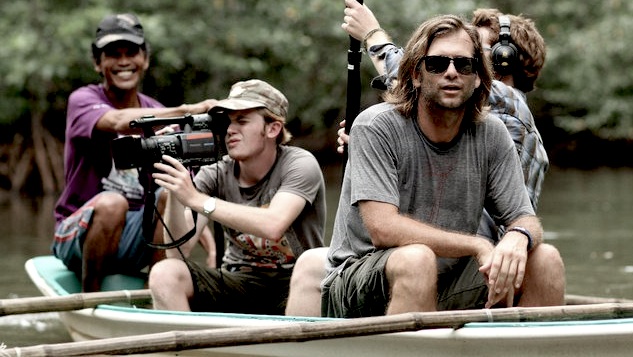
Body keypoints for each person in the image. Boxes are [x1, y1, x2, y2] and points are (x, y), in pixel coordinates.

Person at [285, 3, 555, 317]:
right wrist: (477, 245)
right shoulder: (375, 126)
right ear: (415, 74)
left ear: (480, 78)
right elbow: (383, 229)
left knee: (545, 258)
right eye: (437, 63)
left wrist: (518, 237)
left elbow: (525, 218)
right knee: (417, 260)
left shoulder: (493, 132)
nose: (451, 72)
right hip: (361, 278)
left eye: (465, 65)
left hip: (448, 277)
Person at [52, 13, 217, 292]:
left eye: (132, 53)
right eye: (113, 55)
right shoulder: (83, 100)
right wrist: (187, 111)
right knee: (112, 203)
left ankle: (157, 291)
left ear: (146, 60)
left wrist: (203, 232)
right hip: (77, 237)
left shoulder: (157, 109)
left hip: (134, 235)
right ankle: (89, 299)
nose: (124, 62)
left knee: (169, 195)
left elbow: (180, 186)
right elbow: (118, 121)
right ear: (97, 63)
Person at [147, 79, 327, 314]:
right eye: (228, 122)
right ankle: (192, 348)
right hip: (237, 282)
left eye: (242, 121)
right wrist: (174, 187)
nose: (230, 130)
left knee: (318, 264)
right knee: (165, 272)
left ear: (272, 128)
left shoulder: (299, 164)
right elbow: (178, 250)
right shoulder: (216, 172)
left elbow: (274, 224)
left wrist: (199, 201)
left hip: (295, 284)